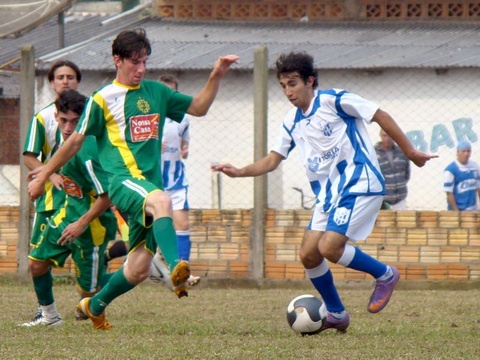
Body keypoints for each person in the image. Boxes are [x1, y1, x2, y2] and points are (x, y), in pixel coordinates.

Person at [27, 28, 238, 330]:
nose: (141, 69)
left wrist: (217, 74)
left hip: (150, 187)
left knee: (137, 269)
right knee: (163, 201)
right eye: (135, 62)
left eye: (145, 62)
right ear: (118, 60)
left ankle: (94, 305)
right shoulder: (102, 99)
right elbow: (73, 143)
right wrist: (44, 175)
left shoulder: (157, 92)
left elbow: (200, 108)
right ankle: (178, 266)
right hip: (123, 182)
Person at [212, 52, 436, 333]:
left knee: (329, 247)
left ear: (310, 81)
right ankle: (337, 313)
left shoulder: (334, 100)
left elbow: (379, 114)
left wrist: (411, 151)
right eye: (283, 86)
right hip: (329, 196)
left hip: (359, 183)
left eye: (293, 83)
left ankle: (386, 274)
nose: (288, 91)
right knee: (308, 254)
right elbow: (273, 158)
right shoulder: (291, 121)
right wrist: (240, 171)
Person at [20, 90, 117, 327]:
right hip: (67, 214)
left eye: (75, 121)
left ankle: (139, 272)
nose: (68, 127)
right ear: (56, 116)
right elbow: (46, 165)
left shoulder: (87, 151)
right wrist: (42, 178)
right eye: (63, 120)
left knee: (87, 295)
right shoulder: (66, 145)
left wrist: (81, 223)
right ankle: (50, 317)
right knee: (36, 262)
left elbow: (107, 197)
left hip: (92, 223)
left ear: (84, 119)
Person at [152, 73, 200, 288]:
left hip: (176, 180)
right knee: (149, 227)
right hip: (153, 181)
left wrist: (185, 149)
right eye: (164, 91)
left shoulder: (183, 118)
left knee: (183, 224)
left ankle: (183, 273)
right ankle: (150, 267)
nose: (167, 96)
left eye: (172, 92)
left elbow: (183, 145)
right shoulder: (148, 117)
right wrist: (153, 146)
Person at [374, 129, 411, 210]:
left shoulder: (402, 152)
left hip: (400, 200)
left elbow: (406, 174)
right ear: (380, 136)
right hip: (382, 202)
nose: (387, 139)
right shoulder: (373, 154)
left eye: (390, 135)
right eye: (384, 135)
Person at [443, 140, 480, 211]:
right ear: (457, 152)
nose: (466, 154)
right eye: (463, 151)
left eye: (468, 151)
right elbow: (449, 193)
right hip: (459, 210)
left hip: (473, 210)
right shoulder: (451, 170)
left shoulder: (475, 167)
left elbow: (479, 187)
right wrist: (456, 212)